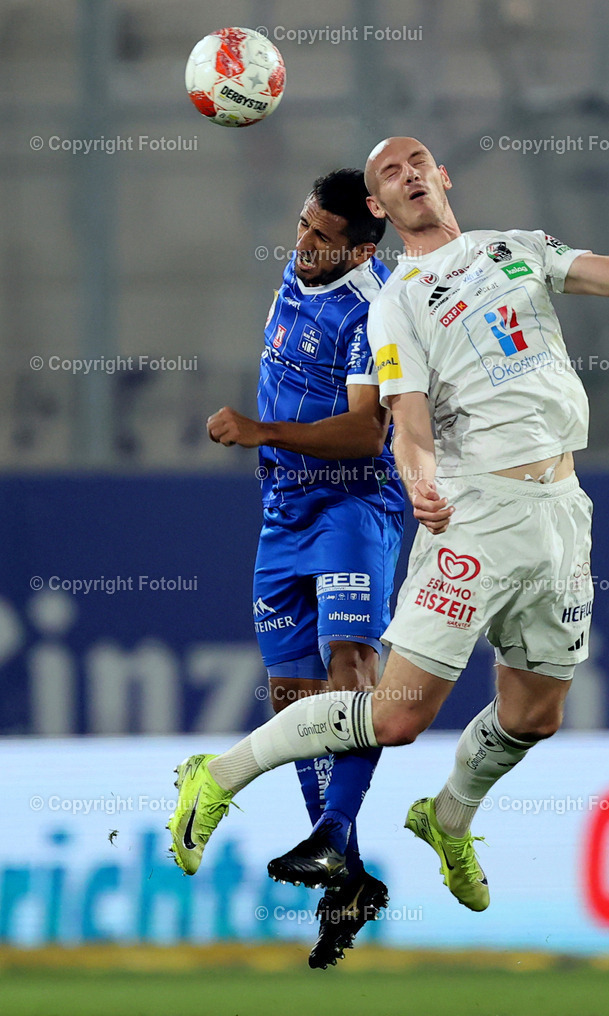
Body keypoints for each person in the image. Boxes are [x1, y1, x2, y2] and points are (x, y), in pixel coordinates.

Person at [168, 137, 609, 918]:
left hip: (562, 510)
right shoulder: (395, 302)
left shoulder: (516, 248)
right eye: (388, 173)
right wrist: (421, 485)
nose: (407, 174)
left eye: (416, 161)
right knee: (395, 715)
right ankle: (216, 776)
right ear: (382, 210)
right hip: (475, 516)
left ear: (442, 177)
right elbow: (407, 423)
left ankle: (448, 817)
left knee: (535, 715)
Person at [167, 168, 405, 969]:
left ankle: (335, 842)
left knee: (351, 668)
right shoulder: (302, 268)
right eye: (302, 226)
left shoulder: (379, 308)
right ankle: (345, 878)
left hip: (352, 506)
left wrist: (257, 428)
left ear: (362, 247)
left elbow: (366, 433)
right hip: (283, 512)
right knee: (291, 697)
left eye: (321, 237)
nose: (302, 245)